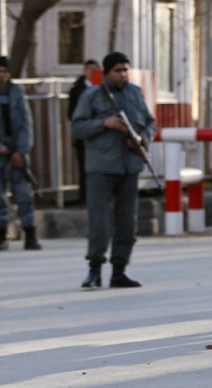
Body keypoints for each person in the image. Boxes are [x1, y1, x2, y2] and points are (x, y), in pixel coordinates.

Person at [71, 51, 156, 289]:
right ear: (107, 73)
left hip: (129, 166)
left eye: (125, 70)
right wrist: (103, 123)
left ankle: (120, 270)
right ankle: (94, 269)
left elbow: (150, 123)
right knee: (100, 223)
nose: (123, 74)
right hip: (101, 167)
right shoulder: (92, 96)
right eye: (118, 70)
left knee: (127, 223)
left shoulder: (134, 93)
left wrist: (141, 139)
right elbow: (77, 128)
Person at [0, 56, 42, 251]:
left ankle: (30, 234)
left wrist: (21, 149)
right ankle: (2, 234)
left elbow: (26, 124)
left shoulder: (17, 93)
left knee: (24, 195)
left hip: (17, 152)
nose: (2, 75)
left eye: (5, 71)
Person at [67, 59, 101, 205]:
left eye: (95, 69)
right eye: (89, 69)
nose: (92, 72)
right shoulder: (77, 89)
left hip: (101, 132)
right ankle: (85, 198)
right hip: (84, 132)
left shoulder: (103, 87)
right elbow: (71, 112)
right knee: (84, 166)